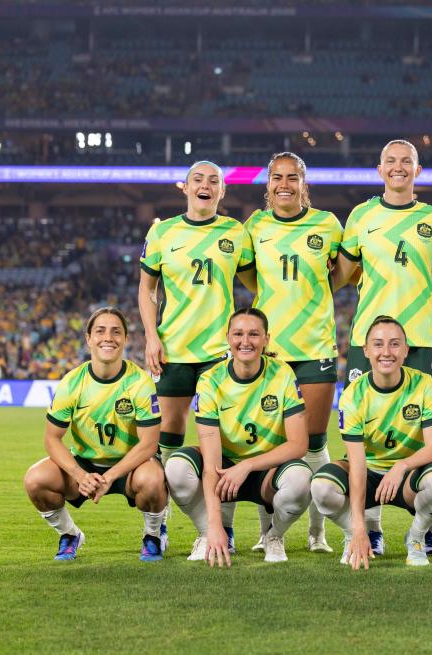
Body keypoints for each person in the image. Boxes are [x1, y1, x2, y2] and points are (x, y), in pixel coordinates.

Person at [335, 139, 432, 556]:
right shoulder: (361, 215)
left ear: (417, 170)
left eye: (407, 161)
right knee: (366, 431)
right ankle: (371, 528)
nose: (399, 167)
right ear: (380, 168)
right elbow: (342, 274)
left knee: (424, 432)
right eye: (391, 161)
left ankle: (427, 525)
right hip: (369, 339)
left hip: (422, 337)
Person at [138, 160, 255, 552]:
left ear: (222, 191)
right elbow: (147, 289)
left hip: (219, 354)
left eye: (214, 181)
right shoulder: (163, 232)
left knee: (220, 444)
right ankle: (160, 522)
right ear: (185, 187)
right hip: (172, 350)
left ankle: (223, 528)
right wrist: (151, 336)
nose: (205, 185)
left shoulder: (236, 232)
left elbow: (257, 283)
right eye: (198, 180)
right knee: (166, 439)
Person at [240, 152, 343, 555]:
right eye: (277, 177)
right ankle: (268, 531)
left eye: (292, 177)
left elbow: (342, 274)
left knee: (314, 443)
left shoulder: (328, 224)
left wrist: (311, 293)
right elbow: (250, 277)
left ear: (304, 183)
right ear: (268, 185)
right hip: (270, 351)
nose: (284, 184)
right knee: (269, 444)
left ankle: (317, 533)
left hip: (315, 347)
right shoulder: (255, 226)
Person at [164, 308, 312, 565]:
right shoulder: (210, 381)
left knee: (301, 479)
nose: (245, 341)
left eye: (253, 334)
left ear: (266, 339)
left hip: (267, 471)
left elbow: (299, 445)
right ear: (228, 338)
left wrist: (247, 465)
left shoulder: (283, 374)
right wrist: (214, 525)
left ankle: (274, 536)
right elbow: (211, 461)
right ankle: (207, 534)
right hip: (223, 470)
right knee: (176, 467)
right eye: (238, 334)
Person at [24, 307, 167, 561]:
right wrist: (79, 475)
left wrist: (110, 476)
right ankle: (70, 534)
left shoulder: (140, 382)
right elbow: (51, 439)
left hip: (131, 466)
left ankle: (153, 535)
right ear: (89, 338)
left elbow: (149, 443)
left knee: (153, 480)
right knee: (36, 479)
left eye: (116, 332)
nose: (108, 338)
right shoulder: (71, 382)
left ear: (125, 339)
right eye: (100, 331)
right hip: (85, 463)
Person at [311, 315, 432, 569]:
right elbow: (357, 464)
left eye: (394, 344)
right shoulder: (353, 395)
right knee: (321, 487)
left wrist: (401, 466)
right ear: (366, 351)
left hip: (408, 476)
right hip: (367, 472)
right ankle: (354, 537)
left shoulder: (423, 384)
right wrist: (358, 528)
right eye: (378, 344)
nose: (386, 352)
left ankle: (416, 538)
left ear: (406, 350)